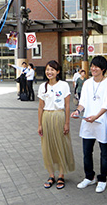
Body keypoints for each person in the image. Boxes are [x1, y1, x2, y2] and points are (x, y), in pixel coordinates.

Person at [71, 56, 107, 193]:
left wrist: (96, 116)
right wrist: (78, 111)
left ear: (102, 68)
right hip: (88, 122)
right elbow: (83, 101)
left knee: (104, 153)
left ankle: (102, 179)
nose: (93, 69)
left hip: (102, 122)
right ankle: (89, 177)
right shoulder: (87, 83)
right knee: (86, 152)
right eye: (92, 66)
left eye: (96, 66)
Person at [37, 60, 75, 190]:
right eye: (48, 69)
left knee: (61, 145)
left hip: (59, 116)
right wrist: (40, 124)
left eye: (52, 69)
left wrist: (67, 123)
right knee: (47, 147)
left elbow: (68, 105)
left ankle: (61, 175)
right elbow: (40, 107)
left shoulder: (64, 85)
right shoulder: (42, 86)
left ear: (58, 71)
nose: (49, 72)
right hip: (46, 117)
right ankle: (51, 175)